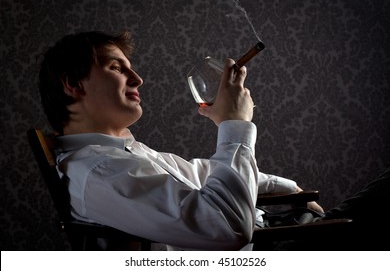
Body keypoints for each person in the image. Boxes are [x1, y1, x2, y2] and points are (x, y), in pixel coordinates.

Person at [38, 31, 389, 251]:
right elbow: (225, 228)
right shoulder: (99, 171)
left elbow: (202, 172)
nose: (138, 78)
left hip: (284, 236)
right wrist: (234, 122)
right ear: (74, 84)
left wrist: (292, 190)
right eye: (117, 68)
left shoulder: (124, 155)